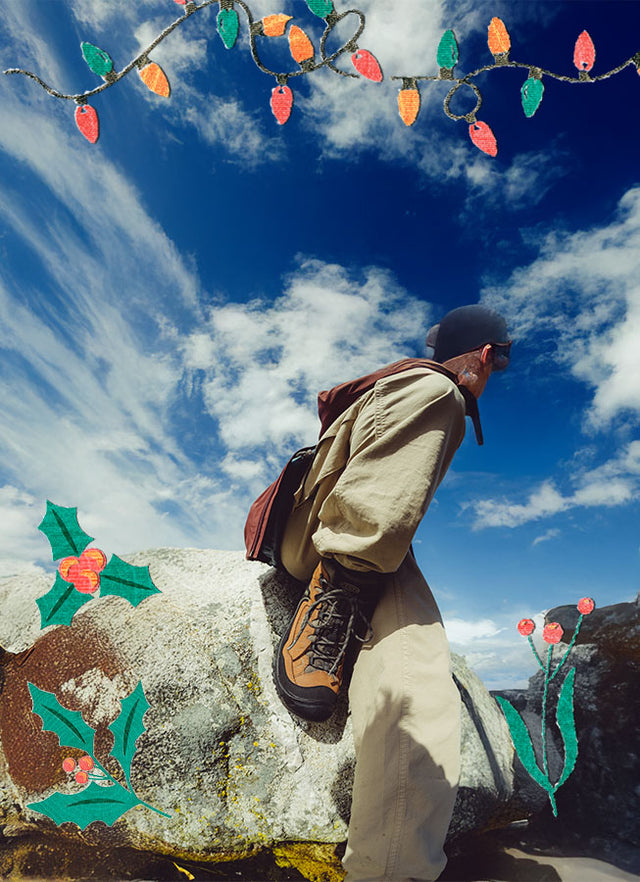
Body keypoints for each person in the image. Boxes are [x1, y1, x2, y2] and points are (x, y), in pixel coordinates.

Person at [273, 304, 511, 881]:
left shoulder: (409, 384)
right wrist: (352, 566)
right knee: (420, 675)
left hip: (320, 526)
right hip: (328, 539)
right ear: (485, 354)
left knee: (415, 650)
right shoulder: (435, 389)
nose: (500, 370)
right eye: (502, 359)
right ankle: (339, 591)